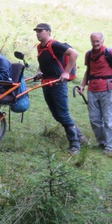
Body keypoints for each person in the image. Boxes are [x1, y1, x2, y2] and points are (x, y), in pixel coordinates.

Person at [34, 22, 85, 154]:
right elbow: (43, 62)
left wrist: (66, 72)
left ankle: (75, 145)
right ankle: (80, 136)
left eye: (40, 31)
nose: (38, 33)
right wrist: (39, 71)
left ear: (48, 32)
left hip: (58, 84)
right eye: (37, 31)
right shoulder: (40, 47)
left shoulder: (55, 45)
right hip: (46, 84)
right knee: (56, 115)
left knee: (63, 114)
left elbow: (74, 54)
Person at [78, 32, 112, 154]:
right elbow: (88, 71)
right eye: (93, 41)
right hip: (92, 89)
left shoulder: (109, 52)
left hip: (108, 89)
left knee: (108, 119)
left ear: (102, 41)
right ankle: (102, 142)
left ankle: (110, 146)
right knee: (94, 119)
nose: (95, 43)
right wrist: (82, 86)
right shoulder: (88, 54)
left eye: (98, 41)